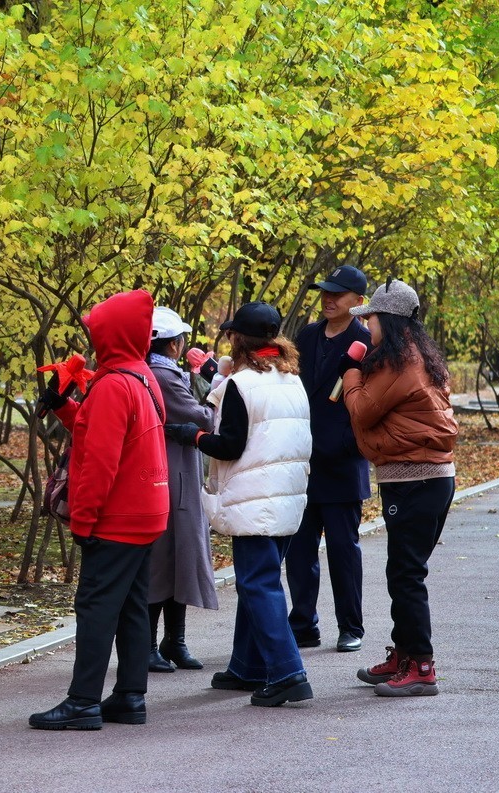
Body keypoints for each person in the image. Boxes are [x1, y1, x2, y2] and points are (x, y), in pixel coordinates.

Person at [29, 289, 170, 729]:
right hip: (147, 511)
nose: (91, 338)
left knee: (94, 606)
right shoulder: (140, 376)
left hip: (118, 515)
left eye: (96, 330)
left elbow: (100, 461)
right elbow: (104, 433)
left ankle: (83, 702)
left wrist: (84, 520)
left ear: (112, 334)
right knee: (130, 604)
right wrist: (65, 407)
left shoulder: (113, 384)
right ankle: (130, 696)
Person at [166, 301, 313, 707]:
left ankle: (287, 673)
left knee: (257, 584)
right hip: (288, 495)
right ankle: (247, 666)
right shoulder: (291, 377)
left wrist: (191, 437)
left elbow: (229, 445)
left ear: (237, 339)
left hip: (254, 498)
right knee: (259, 581)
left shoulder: (241, 385)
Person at [340, 279, 457, 697]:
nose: (366, 325)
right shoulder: (414, 356)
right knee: (402, 571)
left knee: (406, 574)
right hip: (422, 478)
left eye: (369, 317)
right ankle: (405, 655)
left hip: (416, 480)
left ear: (385, 319)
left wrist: (351, 375)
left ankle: (421, 666)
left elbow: (364, 411)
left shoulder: (399, 362)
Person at [285, 264, 372, 653]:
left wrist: (349, 444)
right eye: (324, 291)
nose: (329, 299)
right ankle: (303, 623)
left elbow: (373, 401)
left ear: (359, 301)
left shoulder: (367, 341)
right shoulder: (306, 335)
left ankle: (350, 626)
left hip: (341, 463)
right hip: (303, 463)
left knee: (342, 549)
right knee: (299, 551)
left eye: (337, 293)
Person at [146, 307, 219, 674]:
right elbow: (203, 417)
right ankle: (153, 644)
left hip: (172, 473)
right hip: (172, 476)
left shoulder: (157, 371)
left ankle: (173, 641)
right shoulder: (163, 374)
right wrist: (212, 383)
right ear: (173, 344)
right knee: (167, 559)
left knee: (177, 557)